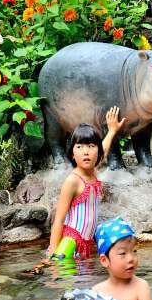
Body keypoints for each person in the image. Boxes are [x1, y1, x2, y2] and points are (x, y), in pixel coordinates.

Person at [48, 107, 125, 258]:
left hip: (86, 244)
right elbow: (59, 220)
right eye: (79, 147)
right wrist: (52, 253)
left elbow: (104, 149)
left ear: (97, 152)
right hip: (69, 244)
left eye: (91, 146)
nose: (86, 152)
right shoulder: (73, 181)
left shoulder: (93, 171)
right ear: (72, 154)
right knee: (66, 277)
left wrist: (112, 131)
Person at [92, 217, 152, 300]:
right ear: (104, 260)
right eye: (122, 253)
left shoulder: (140, 287)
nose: (131, 259)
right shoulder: (97, 291)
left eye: (134, 251)